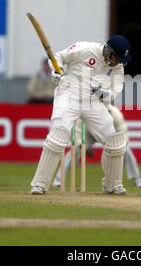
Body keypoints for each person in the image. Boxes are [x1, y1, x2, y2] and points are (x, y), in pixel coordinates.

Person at [30, 36, 131, 195]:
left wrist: (104, 94)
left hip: (93, 102)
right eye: (116, 57)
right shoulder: (84, 48)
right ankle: (39, 184)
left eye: (121, 59)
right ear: (107, 50)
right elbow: (58, 57)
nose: (117, 62)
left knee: (116, 142)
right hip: (68, 96)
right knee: (58, 137)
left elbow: (115, 90)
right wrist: (57, 70)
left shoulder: (118, 67)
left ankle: (113, 185)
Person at [52, 105, 141, 189]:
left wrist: (120, 146)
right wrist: (81, 145)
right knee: (75, 150)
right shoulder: (87, 113)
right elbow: (78, 132)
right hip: (89, 134)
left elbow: (123, 134)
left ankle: (137, 180)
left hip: (109, 135)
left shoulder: (116, 114)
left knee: (126, 150)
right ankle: (58, 180)